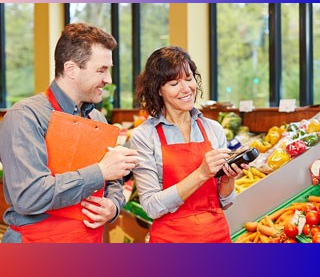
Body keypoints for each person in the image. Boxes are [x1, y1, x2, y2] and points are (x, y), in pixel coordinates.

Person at [0, 23, 139, 243]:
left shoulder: (98, 119)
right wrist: (99, 171)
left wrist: (113, 206)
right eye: (101, 70)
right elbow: (29, 196)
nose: (109, 79)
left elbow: (113, 181)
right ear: (71, 69)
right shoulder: (25, 116)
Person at [130, 46, 243, 243]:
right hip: (171, 240)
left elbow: (225, 201)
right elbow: (151, 206)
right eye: (174, 83)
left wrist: (228, 179)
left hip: (217, 236)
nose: (186, 89)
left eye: (189, 79)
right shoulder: (144, 136)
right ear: (158, 89)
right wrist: (201, 173)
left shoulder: (213, 129)